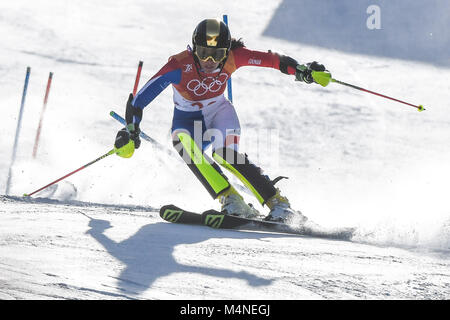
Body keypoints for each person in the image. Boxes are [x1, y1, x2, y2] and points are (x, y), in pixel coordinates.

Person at [114, 18, 328, 224]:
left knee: (224, 153)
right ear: (193, 48)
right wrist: (130, 129)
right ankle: (232, 201)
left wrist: (302, 70)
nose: (209, 61)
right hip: (188, 121)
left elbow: (274, 60)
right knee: (182, 142)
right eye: (203, 53)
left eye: (216, 55)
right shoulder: (179, 65)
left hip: (220, 113)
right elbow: (139, 99)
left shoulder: (235, 57)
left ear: (226, 51)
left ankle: (279, 204)